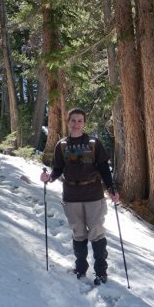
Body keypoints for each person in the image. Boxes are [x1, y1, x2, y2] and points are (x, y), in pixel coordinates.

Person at [40, 108, 119, 285]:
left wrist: (112, 189)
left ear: (84, 123)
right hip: (72, 196)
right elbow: (58, 168)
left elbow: (104, 169)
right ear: (68, 122)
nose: (76, 124)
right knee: (79, 234)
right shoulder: (61, 145)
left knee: (97, 233)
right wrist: (49, 178)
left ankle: (101, 272)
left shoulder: (94, 143)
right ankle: (80, 269)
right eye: (73, 120)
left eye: (80, 121)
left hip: (94, 195)